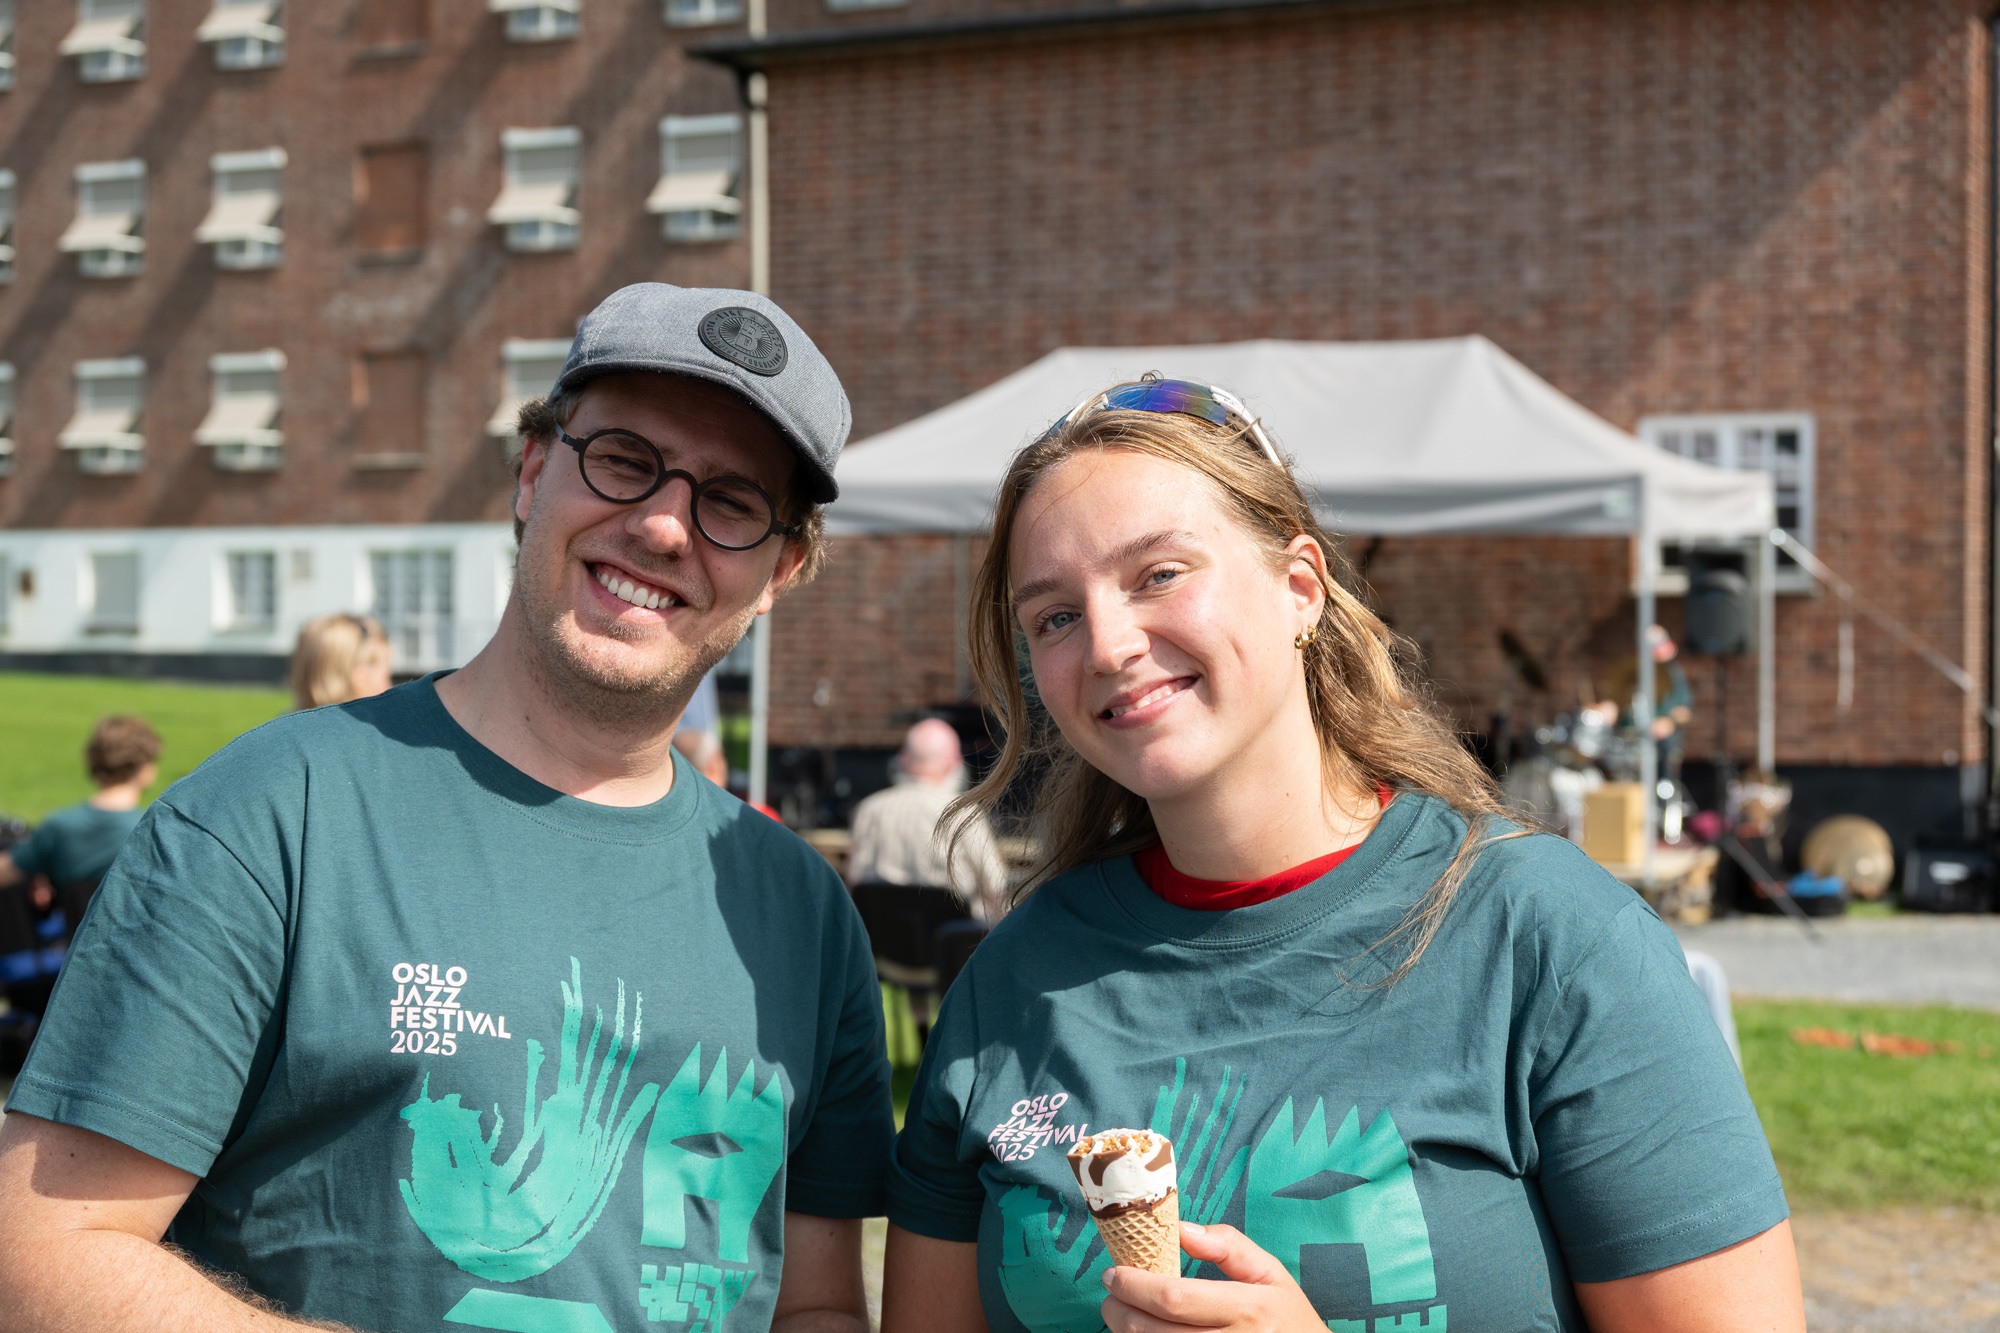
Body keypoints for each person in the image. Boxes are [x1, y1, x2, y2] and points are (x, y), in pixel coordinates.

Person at [0, 284, 894, 1333]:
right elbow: (43, 1258)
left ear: (781, 569)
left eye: (732, 501)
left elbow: (814, 1305)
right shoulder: (272, 815)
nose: (660, 524)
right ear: (531, 469)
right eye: (623, 459)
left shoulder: (800, 907)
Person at [880, 378, 1803, 1333]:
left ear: (1301, 588)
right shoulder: (1014, 979)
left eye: (1158, 573)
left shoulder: (1550, 937)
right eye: (1055, 617)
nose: (1109, 643)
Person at [845, 718, 1011, 925]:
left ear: (903, 759)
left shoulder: (868, 810)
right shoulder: (963, 813)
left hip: (882, 944)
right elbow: (996, 886)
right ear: (955, 762)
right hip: (953, 946)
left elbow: (855, 884)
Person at [0, 714, 161, 913]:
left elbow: (5, 873)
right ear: (145, 768)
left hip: (74, 940)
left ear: (92, 761)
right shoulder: (154, 832)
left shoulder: (59, 826)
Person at [288, 613, 393, 709]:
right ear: (360, 677)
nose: (391, 687)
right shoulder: (373, 728)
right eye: (386, 676)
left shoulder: (284, 726)